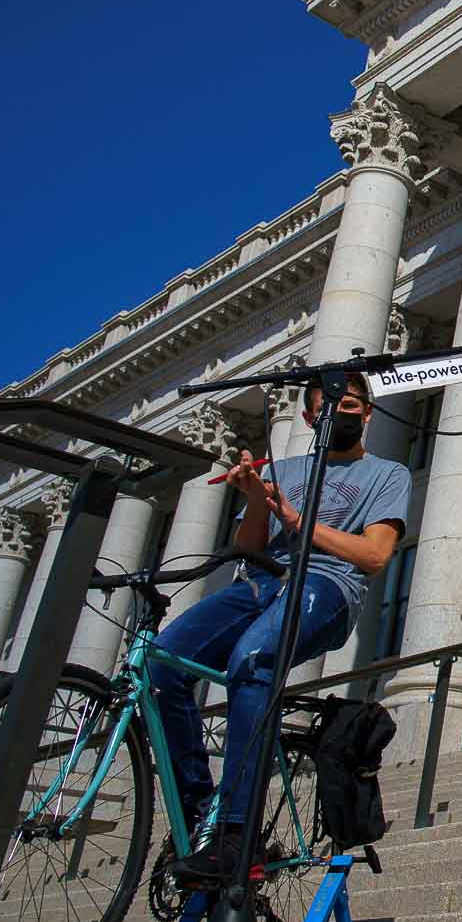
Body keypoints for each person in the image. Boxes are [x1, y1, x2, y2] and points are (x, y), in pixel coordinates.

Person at [150, 371, 410, 884]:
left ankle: (236, 832)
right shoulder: (286, 469)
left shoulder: (387, 474)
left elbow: (375, 554)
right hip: (259, 584)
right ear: (311, 418)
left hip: (326, 586)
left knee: (253, 659)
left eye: (354, 405)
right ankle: (202, 808)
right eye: (332, 408)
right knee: (162, 662)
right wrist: (253, 498)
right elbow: (249, 549)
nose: (344, 414)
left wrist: (297, 521)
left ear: (369, 412)